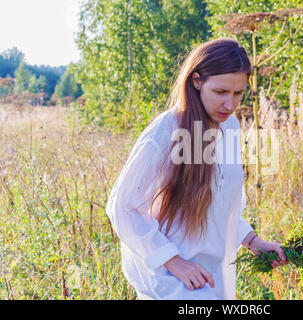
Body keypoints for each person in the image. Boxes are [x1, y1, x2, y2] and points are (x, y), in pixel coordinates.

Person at [106, 38, 287, 300]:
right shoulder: (167, 129)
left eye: (238, 93)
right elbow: (122, 207)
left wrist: (250, 240)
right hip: (168, 278)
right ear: (197, 81)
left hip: (208, 275)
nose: (230, 105)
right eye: (221, 92)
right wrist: (174, 261)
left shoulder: (230, 127)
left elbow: (221, 203)